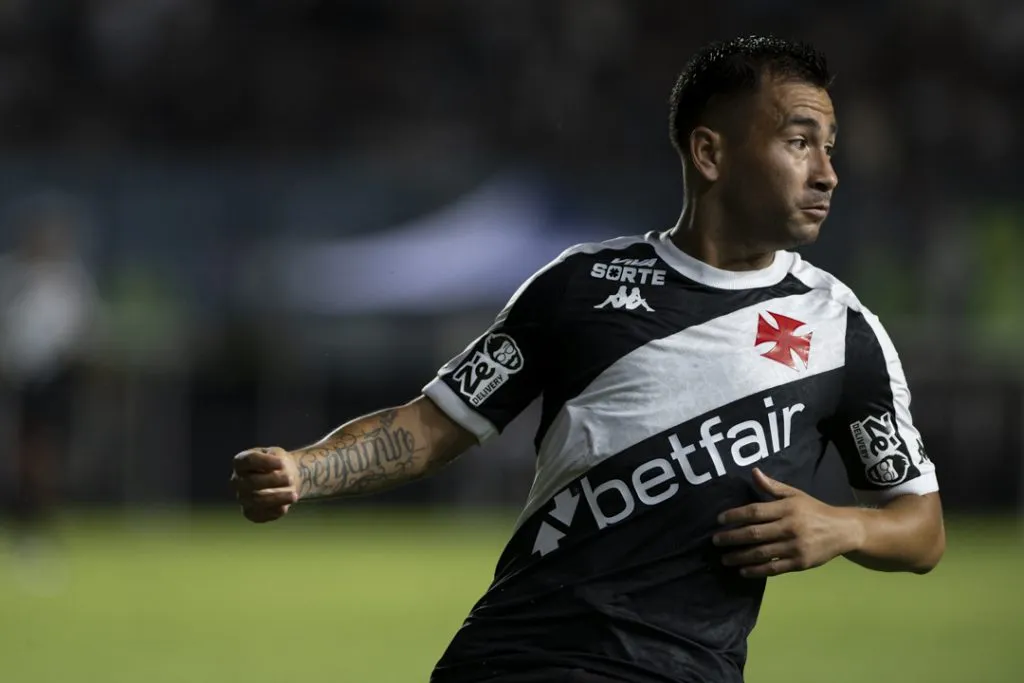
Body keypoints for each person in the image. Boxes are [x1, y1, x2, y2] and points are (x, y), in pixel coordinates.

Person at [230, 36, 944, 683]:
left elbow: (921, 525)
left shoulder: (841, 330)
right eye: (799, 142)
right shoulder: (580, 285)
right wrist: (304, 470)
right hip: (511, 659)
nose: (828, 174)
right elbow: (433, 424)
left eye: (829, 148)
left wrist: (844, 526)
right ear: (710, 153)